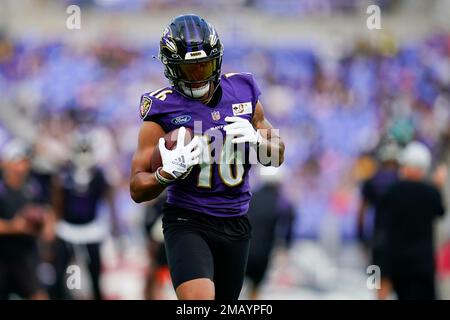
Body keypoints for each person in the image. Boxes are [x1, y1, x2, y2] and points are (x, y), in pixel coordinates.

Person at [130, 14, 285, 300]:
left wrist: (259, 140)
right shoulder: (162, 108)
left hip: (236, 220)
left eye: (205, 65)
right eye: (190, 69)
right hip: (187, 219)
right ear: (171, 67)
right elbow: (137, 188)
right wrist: (164, 175)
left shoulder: (243, 92)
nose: (200, 75)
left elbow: (277, 156)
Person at [50, 132, 119, 300]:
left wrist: (115, 225)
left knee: (94, 272)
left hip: (91, 229)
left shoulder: (100, 174)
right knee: (61, 272)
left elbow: (109, 199)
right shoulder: (64, 172)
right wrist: (53, 225)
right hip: (67, 229)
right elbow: (57, 200)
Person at [382, 141, 445, 300]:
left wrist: (376, 278)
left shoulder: (390, 191)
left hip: (395, 267)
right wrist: (438, 186)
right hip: (422, 268)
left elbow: (377, 235)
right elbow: (440, 211)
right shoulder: (431, 193)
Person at [0, 139, 52, 300]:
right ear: (6, 164)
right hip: (2, 255)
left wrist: (45, 225)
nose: (23, 167)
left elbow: (46, 212)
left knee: (39, 295)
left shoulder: (33, 187)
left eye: (25, 162)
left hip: (25, 255)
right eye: (18, 162)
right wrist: (13, 226)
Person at [357, 141, 400, 299]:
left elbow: (361, 211)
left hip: (379, 237)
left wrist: (361, 236)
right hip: (400, 238)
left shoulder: (372, 181)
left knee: (377, 281)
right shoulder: (402, 180)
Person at [245, 166, 294, 300]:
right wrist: (285, 248)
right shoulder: (282, 202)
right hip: (263, 252)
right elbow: (288, 229)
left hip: (242, 247)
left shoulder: (249, 197)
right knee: (255, 288)